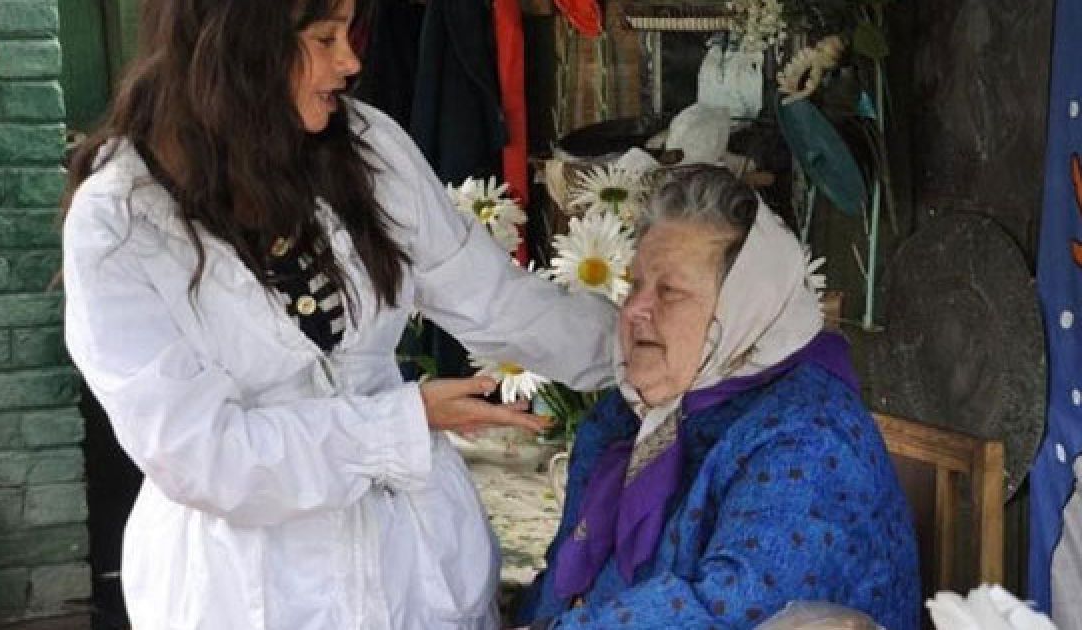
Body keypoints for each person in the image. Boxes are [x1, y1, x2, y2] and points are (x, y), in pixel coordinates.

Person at [60, 1, 616, 628]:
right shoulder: (121, 221)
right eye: (325, 38)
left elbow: (493, 300)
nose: (351, 61)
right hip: (246, 592)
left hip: (411, 569)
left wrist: (635, 350)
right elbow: (203, 457)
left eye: (350, 31)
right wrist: (399, 424)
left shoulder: (366, 147)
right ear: (238, 47)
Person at [514, 165, 920, 629]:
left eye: (669, 292)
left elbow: (731, 614)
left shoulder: (809, 441)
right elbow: (562, 587)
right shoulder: (631, 416)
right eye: (635, 285)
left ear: (744, 309)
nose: (634, 309)